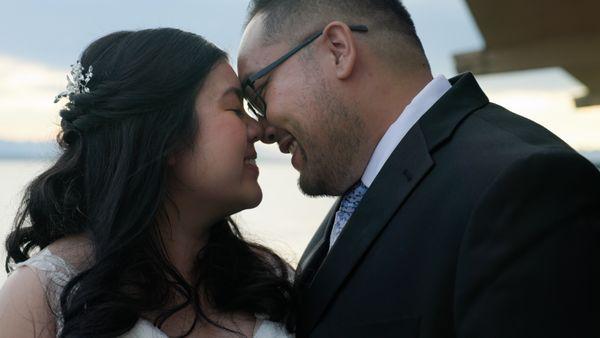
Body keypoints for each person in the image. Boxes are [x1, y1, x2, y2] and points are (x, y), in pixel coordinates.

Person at [237, 0, 600, 337]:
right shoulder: (361, 197)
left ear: (338, 50)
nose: (261, 128)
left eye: (257, 94)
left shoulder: (524, 189)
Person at [0, 28, 294, 338]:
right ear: (164, 137)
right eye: (235, 109)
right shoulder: (41, 297)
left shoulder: (270, 282)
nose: (260, 128)